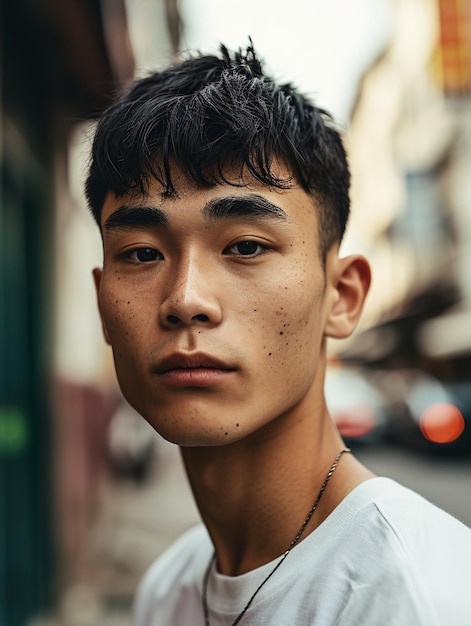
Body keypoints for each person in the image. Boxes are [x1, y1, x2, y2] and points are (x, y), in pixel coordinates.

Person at [85, 43, 471, 625]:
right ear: (102, 304)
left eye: (245, 247)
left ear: (341, 296)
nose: (186, 299)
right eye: (141, 253)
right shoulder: (167, 592)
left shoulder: (412, 595)